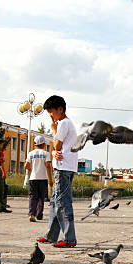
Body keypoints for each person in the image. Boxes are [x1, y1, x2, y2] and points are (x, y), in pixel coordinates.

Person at [37, 95, 78, 248]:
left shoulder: (63, 124)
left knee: (62, 203)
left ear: (60, 109)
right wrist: (54, 152)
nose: (51, 117)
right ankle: (51, 235)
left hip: (63, 168)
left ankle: (70, 239)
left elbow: (57, 145)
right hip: (64, 167)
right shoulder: (67, 123)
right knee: (55, 202)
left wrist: (54, 130)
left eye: (51, 113)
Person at [25, 135, 53, 222]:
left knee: (33, 197)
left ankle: (32, 214)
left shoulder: (31, 153)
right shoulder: (46, 154)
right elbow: (48, 166)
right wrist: (50, 179)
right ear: (44, 144)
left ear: (35, 144)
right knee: (41, 197)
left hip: (33, 178)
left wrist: (31, 170)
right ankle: (39, 214)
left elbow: (26, 165)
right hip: (43, 178)